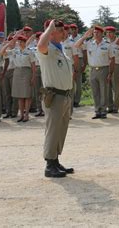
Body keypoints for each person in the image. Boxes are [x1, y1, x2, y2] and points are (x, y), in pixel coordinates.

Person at [37, 19, 74, 178]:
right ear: (52, 33)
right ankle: (49, 164)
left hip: (65, 95)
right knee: (53, 130)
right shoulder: (47, 49)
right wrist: (49, 27)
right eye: (60, 30)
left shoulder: (61, 49)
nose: (64, 33)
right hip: (54, 95)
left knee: (61, 129)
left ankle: (55, 160)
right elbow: (40, 46)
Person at [74, 26, 114, 119]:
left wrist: (110, 73)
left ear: (101, 34)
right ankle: (97, 111)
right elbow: (76, 45)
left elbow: (112, 59)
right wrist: (84, 37)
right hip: (92, 69)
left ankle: (103, 111)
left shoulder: (107, 45)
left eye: (97, 33)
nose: (95, 34)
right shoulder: (89, 43)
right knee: (95, 92)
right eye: (94, 33)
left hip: (103, 69)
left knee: (103, 91)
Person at [1, 34, 36, 122]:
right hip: (17, 72)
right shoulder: (15, 51)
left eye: (21, 42)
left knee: (27, 95)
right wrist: (8, 44)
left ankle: (26, 114)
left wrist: (33, 76)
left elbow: (33, 65)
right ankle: (21, 115)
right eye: (18, 42)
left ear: (25, 42)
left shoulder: (29, 51)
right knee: (19, 95)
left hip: (26, 72)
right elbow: (2, 53)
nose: (19, 43)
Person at [105, 26, 119, 114]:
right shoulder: (104, 42)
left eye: (110, 32)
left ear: (114, 33)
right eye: (107, 33)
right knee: (107, 88)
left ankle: (116, 107)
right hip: (106, 66)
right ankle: (109, 106)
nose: (108, 34)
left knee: (115, 88)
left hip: (116, 66)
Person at [69, 24, 84, 108]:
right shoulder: (68, 39)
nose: (73, 30)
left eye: (75, 29)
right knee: (70, 82)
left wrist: (84, 64)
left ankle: (76, 101)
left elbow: (84, 51)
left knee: (78, 82)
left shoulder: (80, 38)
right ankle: (71, 100)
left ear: (77, 29)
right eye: (72, 29)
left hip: (79, 59)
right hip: (70, 60)